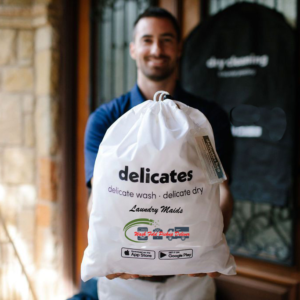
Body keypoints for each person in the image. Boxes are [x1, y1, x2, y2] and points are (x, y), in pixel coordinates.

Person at [84, 7, 234, 300]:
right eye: (147, 39)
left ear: (178, 48)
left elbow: (223, 190)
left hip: (189, 282)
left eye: (166, 40)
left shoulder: (206, 119)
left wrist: (207, 245)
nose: (156, 48)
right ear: (132, 48)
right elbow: (98, 198)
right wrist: (110, 249)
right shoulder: (107, 120)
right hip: (122, 283)